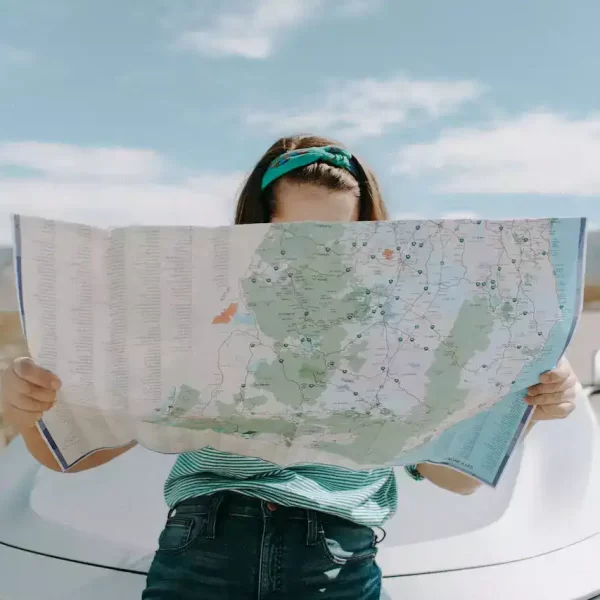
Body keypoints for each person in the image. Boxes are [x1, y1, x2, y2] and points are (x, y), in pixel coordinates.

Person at [0, 135, 580, 599]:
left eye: (334, 237)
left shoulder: (408, 325)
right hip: (202, 542)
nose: (311, 253)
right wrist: (26, 407)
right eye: (290, 235)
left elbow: (455, 478)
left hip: (336, 557)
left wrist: (526, 405)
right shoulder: (200, 311)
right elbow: (73, 456)